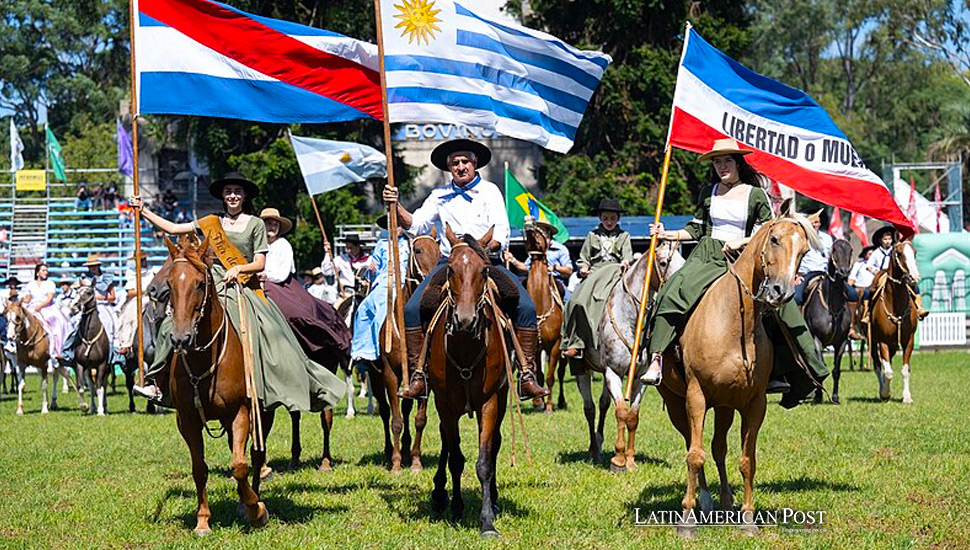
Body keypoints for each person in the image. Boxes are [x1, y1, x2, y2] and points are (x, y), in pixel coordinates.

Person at [128, 172, 345, 413]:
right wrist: (144, 210)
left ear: (244, 196)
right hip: (211, 284)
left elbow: (260, 263)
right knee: (173, 322)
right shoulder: (212, 221)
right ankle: (157, 381)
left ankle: (265, 383)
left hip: (243, 285)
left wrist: (239, 268)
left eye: (237, 192)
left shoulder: (255, 224)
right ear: (222, 195)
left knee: (268, 330)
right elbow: (174, 227)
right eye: (228, 191)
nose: (233, 195)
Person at [641, 138, 828, 408]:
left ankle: (802, 371)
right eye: (717, 162)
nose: (721, 166)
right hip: (707, 256)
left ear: (738, 163)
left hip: (745, 257)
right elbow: (696, 230)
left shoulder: (755, 194)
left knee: (783, 307)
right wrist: (666, 234)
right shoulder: (708, 192)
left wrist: (741, 243)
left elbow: (766, 230)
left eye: (727, 161)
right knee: (671, 293)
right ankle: (657, 358)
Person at [384, 138, 549, 401]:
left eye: (465, 161)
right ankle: (419, 377)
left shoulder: (490, 191)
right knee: (412, 309)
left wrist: (481, 250)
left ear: (474, 164)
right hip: (449, 264)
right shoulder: (438, 195)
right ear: (449, 168)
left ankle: (527, 375)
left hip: (486, 262)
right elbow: (416, 225)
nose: (460, 167)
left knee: (526, 307)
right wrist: (396, 205)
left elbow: (502, 231)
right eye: (455, 163)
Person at [259, 207, 350, 371]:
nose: (271, 227)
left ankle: (321, 338)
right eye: (268, 224)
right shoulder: (255, 245)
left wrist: (264, 275)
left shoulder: (283, 245)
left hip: (281, 286)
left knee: (293, 313)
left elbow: (280, 274)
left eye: (275, 224)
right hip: (257, 283)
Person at [560, 199, 632, 359]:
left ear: (618, 219)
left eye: (613, 218)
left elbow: (627, 255)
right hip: (595, 274)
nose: (609, 222)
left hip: (616, 272)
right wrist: (584, 268)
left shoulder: (624, 236)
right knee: (575, 302)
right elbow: (584, 258)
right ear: (600, 217)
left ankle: (642, 344)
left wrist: (626, 261)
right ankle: (576, 343)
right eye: (606, 218)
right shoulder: (592, 236)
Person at [350, 214, 409, 368]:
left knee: (382, 312)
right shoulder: (382, 244)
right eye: (392, 226)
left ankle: (380, 350)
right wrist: (371, 269)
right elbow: (375, 267)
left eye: (398, 225)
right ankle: (362, 353)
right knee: (362, 310)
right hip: (382, 283)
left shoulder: (409, 244)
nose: (395, 229)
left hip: (401, 284)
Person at [859, 225, 929, 322]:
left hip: (895, 274)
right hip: (881, 274)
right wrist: (875, 271)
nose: (887, 241)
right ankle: (868, 313)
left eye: (889, 239)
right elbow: (868, 265)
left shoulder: (895, 250)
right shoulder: (876, 252)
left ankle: (919, 307)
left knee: (914, 287)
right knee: (868, 291)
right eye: (885, 239)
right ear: (881, 240)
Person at [60, 255, 119, 369]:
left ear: (98, 266)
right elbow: (79, 292)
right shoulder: (84, 279)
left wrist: (99, 298)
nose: (92, 268)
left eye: (94, 266)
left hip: (103, 305)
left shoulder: (107, 278)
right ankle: (68, 352)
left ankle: (114, 353)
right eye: (90, 266)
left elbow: (113, 297)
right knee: (75, 324)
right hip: (87, 306)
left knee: (111, 325)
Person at [505, 218, 574, 300]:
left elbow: (569, 270)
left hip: (554, 280)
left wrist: (555, 268)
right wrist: (512, 259)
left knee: (570, 301)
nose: (539, 234)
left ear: (548, 233)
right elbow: (526, 268)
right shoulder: (534, 250)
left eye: (542, 231)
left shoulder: (560, 249)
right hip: (534, 281)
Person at [21, 264, 71, 362]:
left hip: (47, 307)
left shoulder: (50, 284)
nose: (46, 272)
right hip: (32, 306)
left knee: (58, 323)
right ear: (37, 272)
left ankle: (58, 350)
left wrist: (39, 307)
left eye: (46, 270)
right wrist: (22, 303)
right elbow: (28, 298)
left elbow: (49, 298)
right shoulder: (30, 284)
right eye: (43, 270)